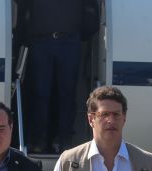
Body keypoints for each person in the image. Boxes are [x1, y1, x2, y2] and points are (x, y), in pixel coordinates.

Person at [19, 0, 100, 153]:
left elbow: (90, 14)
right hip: (41, 40)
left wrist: (79, 32)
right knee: (39, 93)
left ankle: (65, 141)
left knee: (67, 94)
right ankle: (38, 140)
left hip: (69, 41)